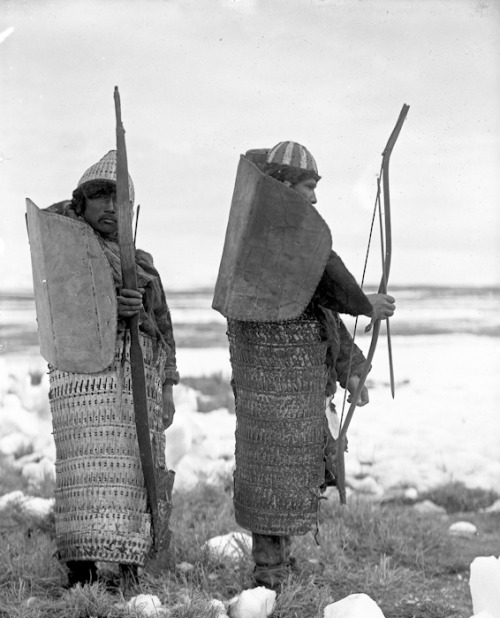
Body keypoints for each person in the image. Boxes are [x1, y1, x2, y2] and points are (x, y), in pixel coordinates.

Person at [213, 141, 395, 591]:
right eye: (307, 187)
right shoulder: (266, 244)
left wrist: (351, 370)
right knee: (268, 472)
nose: (313, 198)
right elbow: (334, 290)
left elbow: (326, 317)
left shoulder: (296, 248)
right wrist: (364, 303)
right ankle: (268, 574)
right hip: (268, 389)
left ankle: (280, 564)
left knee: (294, 475)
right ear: (282, 189)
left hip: (302, 390)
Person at [39, 150, 178, 588]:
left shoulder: (142, 264)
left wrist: (168, 384)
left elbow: (163, 327)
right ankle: (80, 570)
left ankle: (129, 566)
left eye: (117, 200)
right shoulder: (67, 249)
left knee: (134, 473)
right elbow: (62, 306)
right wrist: (107, 303)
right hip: (82, 381)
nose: (107, 208)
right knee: (82, 476)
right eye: (97, 197)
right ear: (80, 203)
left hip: (133, 379)